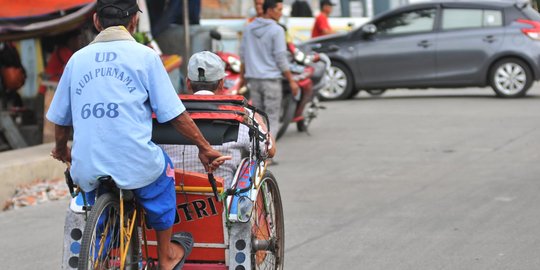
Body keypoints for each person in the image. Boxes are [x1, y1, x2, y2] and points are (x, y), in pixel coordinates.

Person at [46, 1, 229, 269]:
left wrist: (62, 149)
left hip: (88, 166)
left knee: (92, 196)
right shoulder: (145, 57)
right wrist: (203, 147)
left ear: (97, 21)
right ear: (134, 21)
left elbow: (60, 122)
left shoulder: (76, 60)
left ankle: (101, 249)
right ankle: (166, 254)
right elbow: (174, 114)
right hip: (135, 165)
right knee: (164, 173)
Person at [161, 51, 276, 188]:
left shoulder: (167, 113)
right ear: (222, 83)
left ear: (188, 83)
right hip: (223, 196)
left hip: (173, 196)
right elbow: (269, 150)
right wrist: (258, 120)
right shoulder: (239, 114)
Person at [240, 0, 299, 140]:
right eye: (279, 9)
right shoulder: (277, 30)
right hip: (271, 80)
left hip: (254, 80)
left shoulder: (249, 28)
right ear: (270, 10)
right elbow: (280, 58)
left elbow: (243, 55)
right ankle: (268, 155)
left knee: (258, 118)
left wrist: (243, 78)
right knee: (272, 117)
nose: (281, 13)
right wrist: (291, 80)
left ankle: (259, 155)